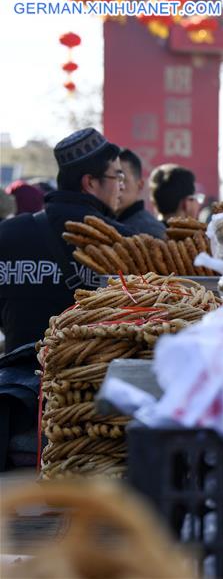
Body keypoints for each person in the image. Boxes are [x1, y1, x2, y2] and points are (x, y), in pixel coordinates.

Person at [0, 128, 135, 468]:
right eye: (117, 176)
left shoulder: (8, 235)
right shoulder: (127, 245)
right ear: (90, 183)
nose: (121, 185)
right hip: (93, 428)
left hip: (15, 417)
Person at [116, 149, 166, 238]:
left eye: (121, 180)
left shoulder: (151, 231)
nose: (116, 187)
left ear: (140, 185)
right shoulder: (105, 222)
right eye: (111, 179)